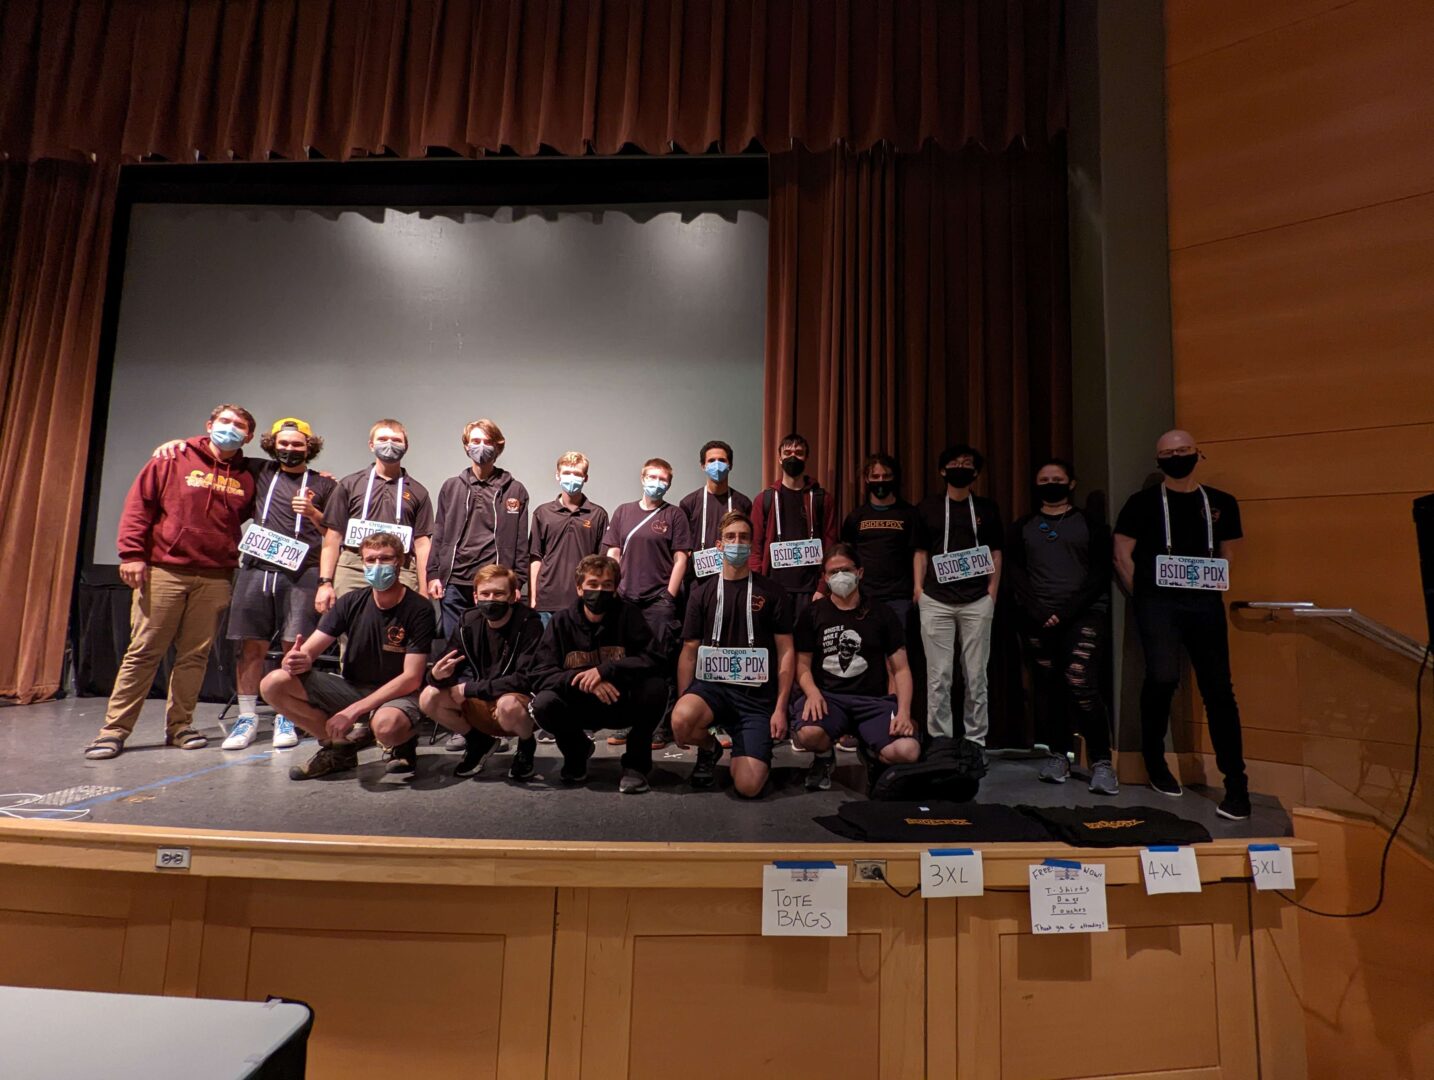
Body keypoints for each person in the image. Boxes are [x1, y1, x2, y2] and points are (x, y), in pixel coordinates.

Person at [84, 405, 259, 760]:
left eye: (239, 425)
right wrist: (131, 554)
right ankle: (113, 731)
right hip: (165, 570)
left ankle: (180, 726)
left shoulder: (248, 475)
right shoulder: (173, 458)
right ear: (209, 425)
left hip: (215, 574)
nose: (230, 429)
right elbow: (139, 507)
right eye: (224, 422)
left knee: (195, 656)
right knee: (144, 652)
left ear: (249, 436)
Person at [1114, 429, 1248, 819]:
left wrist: (1206, 584)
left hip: (1205, 603)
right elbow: (1122, 553)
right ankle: (1154, 760)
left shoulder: (1222, 503)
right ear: (1158, 461)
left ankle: (1235, 783)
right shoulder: (1142, 503)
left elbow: (1228, 554)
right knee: (1161, 678)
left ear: (1197, 454)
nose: (1177, 457)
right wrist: (1144, 595)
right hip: (1158, 603)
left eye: (1184, 451)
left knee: (1219, 690)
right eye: (1168, 453)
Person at [261, 532, 436, 780]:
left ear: (401, 562)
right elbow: (310, 650)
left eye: (385, 559)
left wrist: (354, 712)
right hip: (353, 688)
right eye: (371, 559)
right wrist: (298, 659)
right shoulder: (350, 601)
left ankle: (402, 743)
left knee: (386, 726)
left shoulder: (419, 608)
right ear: (362, 563)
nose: (377, 566)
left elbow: (411, 678)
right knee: (273, 682)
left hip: (399, 695)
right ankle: (339, 748)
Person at [221, 417, 337, 751]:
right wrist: (176, 445)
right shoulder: (259, 471)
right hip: (257, 567)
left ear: (309, 447)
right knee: (249, 645)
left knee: (294, 646)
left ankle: (287, 714)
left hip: (302, 573)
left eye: (297, 444)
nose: (289, 449)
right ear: (273, 444)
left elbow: (333, 533)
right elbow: (217, 454)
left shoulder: (326, 485)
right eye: (283, 443)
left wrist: (313, 512)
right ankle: (247, 717)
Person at [1006, 458, 1118, 795]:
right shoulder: (1022, 526)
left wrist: (1067, 612)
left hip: (1083, 615)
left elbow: (1100, 574)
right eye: (1044, 479)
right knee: (1048, 688)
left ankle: (1101, 761)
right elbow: (1015, 573)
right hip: (1037, 617)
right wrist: (1039, 610)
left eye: (1057, 478)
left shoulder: (1092, 524)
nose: (1050, 483)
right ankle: (1058, 754)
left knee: (1080, 680)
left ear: (1071, 484)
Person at [671, 511, 795, 797]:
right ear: (719, 544)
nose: (737, 542)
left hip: (755, 697)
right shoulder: (700, 592)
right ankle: (710, 748)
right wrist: (685, 699)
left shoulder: (773, 591)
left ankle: (750, 745)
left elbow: (786, 651)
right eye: (730, 537)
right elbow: (689, 650)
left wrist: (780, 708)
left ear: (751, 545)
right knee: (680, 720)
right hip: (712, 689)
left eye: (743, 537)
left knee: (749, 788)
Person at [530, 555, 669, 792]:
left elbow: (655, 660)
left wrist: (606, 671)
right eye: (593, 584)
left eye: (607, 585)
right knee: (543, 703)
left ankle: (636, 765)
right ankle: (577, 753)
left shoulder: (630, 615)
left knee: (656, 688)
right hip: (579, 704)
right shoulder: (561, 622)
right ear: (579, 587)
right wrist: (586, 680)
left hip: (620, 700)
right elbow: (539, 673)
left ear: (615, 589)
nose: (599, 591)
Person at [791, 545, 920, 792]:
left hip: (873, 702)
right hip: (829, 700)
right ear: (825, 578)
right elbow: (802, 665)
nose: (840, 576)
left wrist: (903, 712)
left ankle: (873, 753)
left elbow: (901, 669)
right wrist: (812, 693)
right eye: (833, 572)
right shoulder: (812, 614)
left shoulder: (882, 613)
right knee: (808, 734)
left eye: (846, 570)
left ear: (859, 572)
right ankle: (824, 757)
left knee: (908, 751)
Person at [915, 443, 1004, 750]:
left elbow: (996, 551)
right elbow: (921, 552)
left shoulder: (987, 509)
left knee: (976, 678)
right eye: (954, 462)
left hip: (977, 601)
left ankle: (975, 742)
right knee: (939, 678)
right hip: (936, 600)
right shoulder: (927, 508)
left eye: (967, 463)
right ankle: (940, 744)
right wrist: (918, 590)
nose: (961, 467)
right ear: (943, 470)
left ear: (976, 472)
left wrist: (992, 592)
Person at [419, 565, 545, 780]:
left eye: (498, 594)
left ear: (513, 596)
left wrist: (469, 688)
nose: (491, 599)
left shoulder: (529, 623)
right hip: (479, 700)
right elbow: (449, 664)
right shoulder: (467, 621)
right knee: (428, 697)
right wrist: (436, 676)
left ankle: (526, 746)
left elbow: (525, 679)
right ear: (475, 597)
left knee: (508, 705)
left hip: (515, 703)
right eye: (485, 594)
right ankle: (479, 742)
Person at [603, 458, 691, 747]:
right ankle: (627, 723)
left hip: (658, 603)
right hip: (626, 600)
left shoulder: (674, 515)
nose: (657, 482)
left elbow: (681, 558)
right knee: (626, 665)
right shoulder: (623, 512)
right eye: (652, 476)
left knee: (661, 665)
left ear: (669, 483)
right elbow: (613, 554)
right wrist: (612, 592)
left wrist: (669, 595)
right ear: (642, 478)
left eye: (663, 478)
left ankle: (659, 726)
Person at [426, 418, 531, 637]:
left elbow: (521, 542)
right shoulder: (451, 486)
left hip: (493, 582)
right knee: (455, 643)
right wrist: (433, 574)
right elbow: (439, 533)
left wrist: (518, 581)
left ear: (497, 446)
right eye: (475, 440)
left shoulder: (515, 490)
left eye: (487, 441)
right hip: (454, 580)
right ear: (466, 446)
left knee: (490, 641)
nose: (480, 446)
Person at [316, 418, 434, 608]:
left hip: (400, 566)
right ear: (371, 445)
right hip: (353, 565)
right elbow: (333, 538)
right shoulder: (350, 484)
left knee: (397, 627)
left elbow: (422, 545)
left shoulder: (418, 492)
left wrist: (423, 589)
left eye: (396, 440)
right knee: (349, 625)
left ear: (406, 446)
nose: (389, 444)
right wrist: (325, 583)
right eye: (383, 439)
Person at [750, 432, 838, 625]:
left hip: (810, 591)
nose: (792, 457)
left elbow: (831, 547)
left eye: (798, 452)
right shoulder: (763, 500)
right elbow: (755, 547)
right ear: (779, 457)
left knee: (807, 651)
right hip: (772, 589)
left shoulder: (823, 499)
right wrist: (756, 587)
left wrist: (823, 587)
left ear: (806, 457)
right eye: (787, 452)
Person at [840, 453, 921, 628]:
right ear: (867, 480)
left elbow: (919, 553)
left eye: (886, 476)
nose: (881, 480)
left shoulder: (910, 514)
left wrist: (918, 588)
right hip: (863, 595)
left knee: (899, 650)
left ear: (895, 478)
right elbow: (846, 555)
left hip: (900, 597)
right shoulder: (855, 516)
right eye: (875, 476)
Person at [530, 451, 609, 628]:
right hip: (547, 600)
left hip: (584, 600)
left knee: (579, 655)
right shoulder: (543, 513)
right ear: (558, 475)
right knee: (548, 654)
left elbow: (602, 562)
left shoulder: (598, 515)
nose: (571, 478)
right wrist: (533, 598)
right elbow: (535, 557)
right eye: (566, 473)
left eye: (577, 474)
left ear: (585, 478)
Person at [679, 440, 753, 583]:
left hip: (734, 577)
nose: (717, 465)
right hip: (697, 581)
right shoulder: (688, 503)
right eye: (711, 460)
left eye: (722, 460)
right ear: (703, 466)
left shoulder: (743, 503)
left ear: (730, 465)